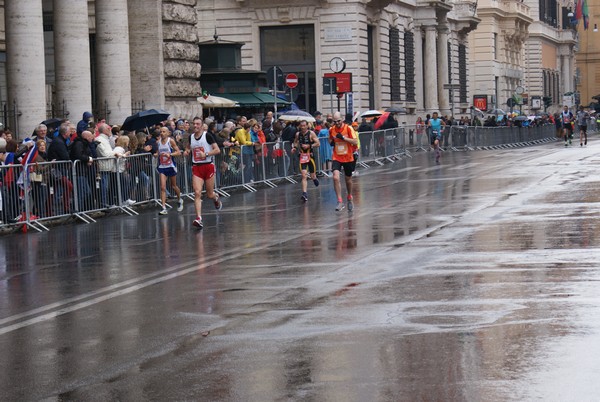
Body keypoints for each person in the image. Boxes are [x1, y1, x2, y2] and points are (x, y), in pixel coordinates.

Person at [185, 116, 222, 229]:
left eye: (197, 124)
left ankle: (216, 198)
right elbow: (188, 148)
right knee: (197, 192)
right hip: (197, 167)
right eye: (194, 124)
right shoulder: (191, 137)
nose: (195, 126)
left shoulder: (207, 136)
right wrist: (186, 152)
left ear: (201, 125)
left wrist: (205, 154)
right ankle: (198, 218)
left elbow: (217, 150)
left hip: (208, 166)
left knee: (210, 194)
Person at [329, 111, 358, 211]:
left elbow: (355, 141)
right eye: (335, 121)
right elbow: (330, 140)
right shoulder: (331, 129)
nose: (337, 123)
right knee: (336, 177)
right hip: (337, 157)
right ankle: (340, 201)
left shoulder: (348, 128)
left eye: (338, 121)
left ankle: (349, 197)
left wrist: (344, 138)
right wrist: (332, 142)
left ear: (342, 119)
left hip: (348, 157)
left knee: (348, 180)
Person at [156, 126, 183, 215]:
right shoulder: (158, 142)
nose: (162, 133)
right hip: (162, 166)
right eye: (161, 131)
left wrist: (170, 154)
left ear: (168, 133)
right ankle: (163, 208)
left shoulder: (170, 141)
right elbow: (158, 153)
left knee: (173, 186)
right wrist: (154, 154)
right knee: (163, 187)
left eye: (164, 132)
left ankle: (180, 199)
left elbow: (178, 152)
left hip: (171, 166)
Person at [292, 120, 320, 202]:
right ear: (300, 126)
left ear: (307, 126)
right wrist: (294, 148)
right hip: (302, 156)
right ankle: (304, 193)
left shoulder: (311, 133)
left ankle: (314, 178)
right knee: (304, 175)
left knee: (312, 176)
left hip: (310, 156)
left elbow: (318, 143)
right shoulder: (298, 134)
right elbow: (296, 142)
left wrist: (309, 145)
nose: (303, 127)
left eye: (304, 126)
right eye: (301, 126)